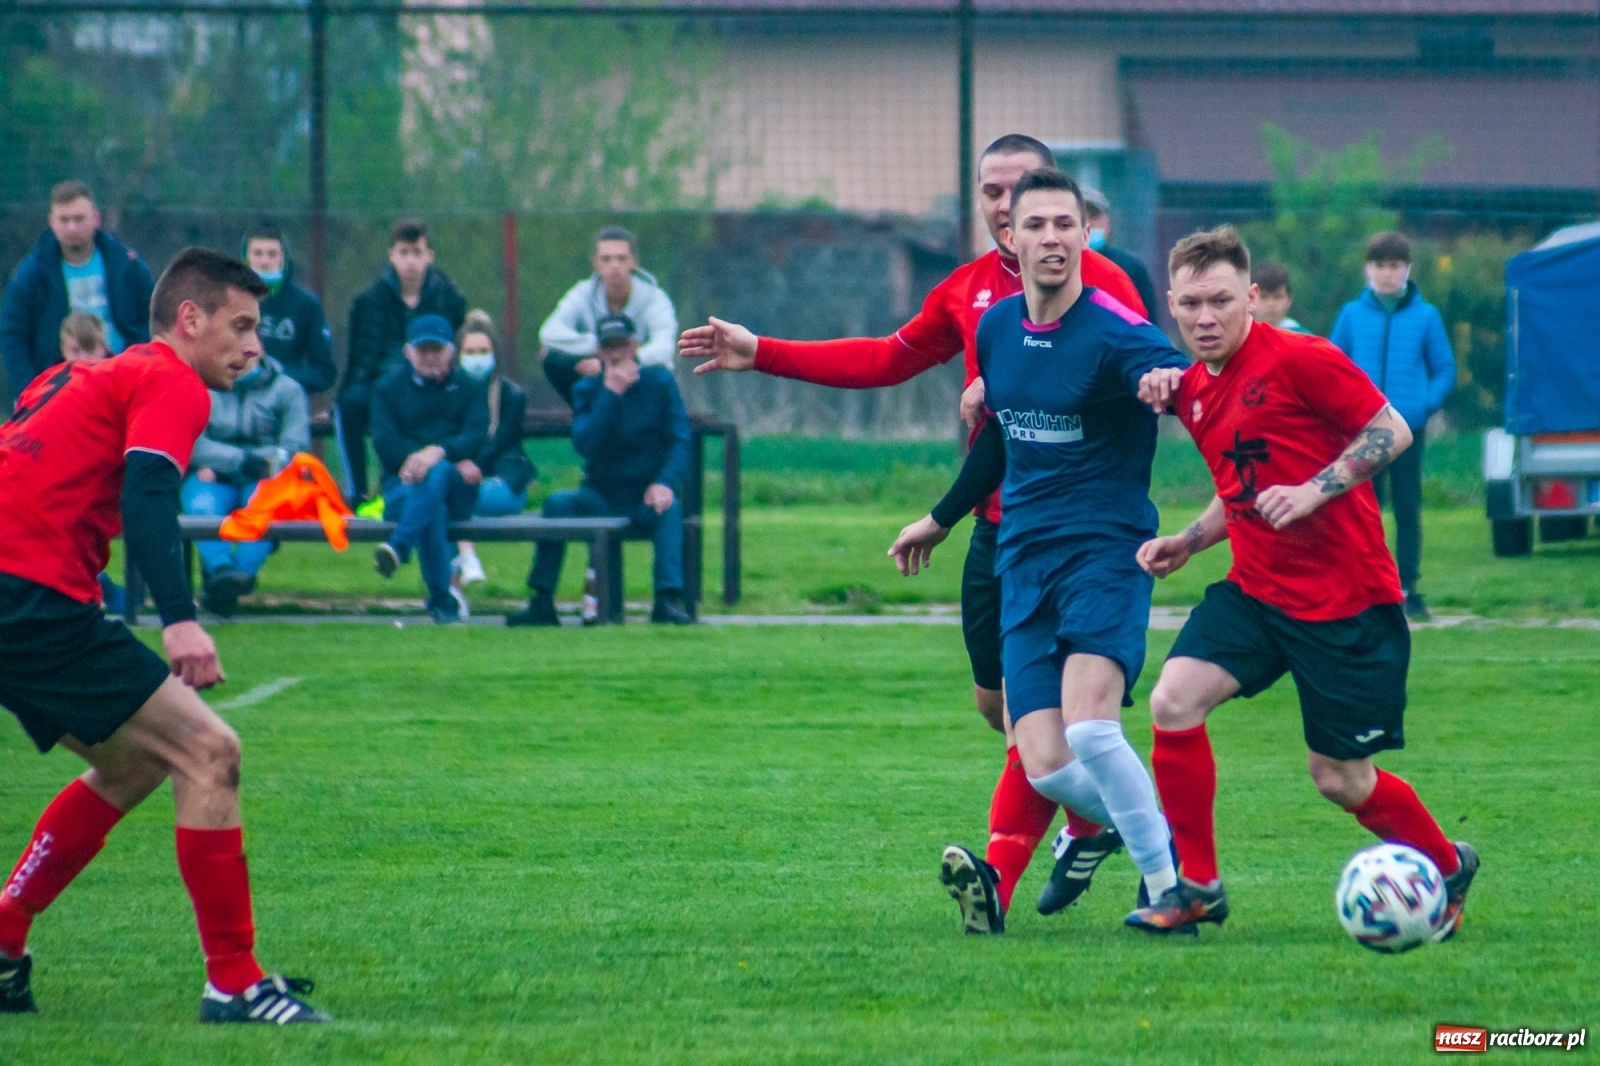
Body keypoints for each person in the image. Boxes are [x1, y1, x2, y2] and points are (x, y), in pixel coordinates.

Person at [680, 135, 1147, 934]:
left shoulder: (1101, 283)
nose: (1005, 206)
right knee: (996, 708)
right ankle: (1095, 821)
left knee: (1037, 726)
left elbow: (1138, 384)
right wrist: (763, 353)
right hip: (996, 531)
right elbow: (884, 358)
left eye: (1020, 192)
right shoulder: (968, 291)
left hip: (1077, 538)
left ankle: (1004, 879)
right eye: (992, 192)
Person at [0, 247, 327, 1023]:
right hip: (30, 596)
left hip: (21, 595)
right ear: (189, 319)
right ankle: (235, 981)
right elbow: (149, 493)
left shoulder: (76, 375)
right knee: (210, 751)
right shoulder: (172, 379)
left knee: (134, 762)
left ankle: (4, 936)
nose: (254, 347)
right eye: (240, 327)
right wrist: (179, 620)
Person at [1123, 225, 1477, 937]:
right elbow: (1242, 485)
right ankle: (1198, 886)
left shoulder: (1301, 358)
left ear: (1252, 297)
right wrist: (1189, 541)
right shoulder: (1193, 390)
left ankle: (1447, 864)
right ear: (1172, 305)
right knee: (1173, 701)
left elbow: (1392, 430)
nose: (1205, 318)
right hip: (1256, 592)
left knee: (1340, 779)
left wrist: (1315, 489)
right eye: (1190, 304)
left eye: (1221, 301)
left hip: (1346, 602)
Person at [887, 168, 1192, 934]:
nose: (1053, 238)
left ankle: (1171, 893)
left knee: (1091, 728)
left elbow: (1171, 371)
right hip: (1022, 560)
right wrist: (942, 517)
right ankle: (1153, 833)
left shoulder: (1116, 330)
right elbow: (1004, 433)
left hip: (1103, 553)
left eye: (1066, 224)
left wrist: (1166, 377)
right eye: (1037, 225)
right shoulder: (995, 330)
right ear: (1010, 238)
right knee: (1047, 763)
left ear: (1087, 235)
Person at [509, 313, 693, 627]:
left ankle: (666, 600)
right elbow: (585, 444)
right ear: (598, 350)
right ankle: (541, 601)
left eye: (621, 345)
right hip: (601, 494)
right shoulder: (587, 389)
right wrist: (610, 393)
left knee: (670, 508)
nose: (615, 354)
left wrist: (664, 482)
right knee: (556, 505)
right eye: (608, 347)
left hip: (645, 493)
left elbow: (680, 441)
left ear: (634, 346)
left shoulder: (659, 383)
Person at [1329, 232, 1455, 622]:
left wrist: (1424, 405)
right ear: (1368, 269)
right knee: (1362, 510)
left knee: (1407, 507)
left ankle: (1409, 589)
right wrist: (1342, 411)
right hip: (1363, 429)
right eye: (1380, 266)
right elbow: (1332, 365)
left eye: (1395, 266)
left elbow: (1444, 368)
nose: (1387, 274)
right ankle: (1364, 586)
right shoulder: (1352, 315)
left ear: (1407, 269)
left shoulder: (1425, 316)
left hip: (1407, 430)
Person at [336, 219, 467, 504]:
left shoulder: (450, 298)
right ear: (391, 256)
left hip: (433, 382)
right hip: (380, 383)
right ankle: (357, 493)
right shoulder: (368, 300)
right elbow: (358, 359)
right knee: (348, 405)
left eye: (417, 253)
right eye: (403, 253)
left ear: (429, 256)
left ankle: (435, 485)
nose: (410, 261)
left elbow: (454, 352)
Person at [370, 314, 488, 625]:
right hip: (402, 486)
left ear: (451, 352)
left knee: (438, 474)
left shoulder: (470, 388)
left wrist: (438, 452)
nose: (430, 357)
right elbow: (384, 442)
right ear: (408, 352)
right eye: (423, 350)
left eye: (437, 349)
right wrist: (421, 459)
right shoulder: (387, 389)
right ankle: (441, 601)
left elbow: (476, 434)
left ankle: (400, 546)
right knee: (431, 497)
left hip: (458, 490)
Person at [0, 181, 154, 407]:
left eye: (79, 219)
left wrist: (140, 373)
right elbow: (13, 335)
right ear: (51, 222)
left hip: (120, 383)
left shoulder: (126, 264)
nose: (72, 227)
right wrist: (32, 390)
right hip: (58, 391)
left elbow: (150, 320)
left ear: (96, 218)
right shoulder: (32, 274)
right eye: (64, 220)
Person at [182, 353, 312, 618]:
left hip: (263, 477)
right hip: (213, 475)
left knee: (265, 509)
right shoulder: (197, 386)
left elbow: (294, 448)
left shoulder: (288, 390)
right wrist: (239, 461)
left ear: (259, 348)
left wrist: (256, 464)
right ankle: (223, 570)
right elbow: (191, 441)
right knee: (202, 506)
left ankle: (232, 580)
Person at [539, 226, 679, 406]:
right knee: (550, 356)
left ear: (634, 262)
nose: (614, 265)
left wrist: (626, 359)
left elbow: (665, 348)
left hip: (640, 378)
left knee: (661, 372)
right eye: (606, 259)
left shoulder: (655, 298)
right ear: (595, 263)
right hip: (596, 375)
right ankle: (583, 410)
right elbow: (549, 333)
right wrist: (602, 351)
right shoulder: (582, 293)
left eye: (621, 258)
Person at [451, 310, 536, 590]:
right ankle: (460, 572)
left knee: (444, 498)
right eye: (470, 351)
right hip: (461, 483)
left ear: (495, 354)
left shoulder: (512, 396)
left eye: (483, 351)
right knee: (443, 498)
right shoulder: (448, 392)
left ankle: (457, 577)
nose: (477, 358)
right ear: (458, 354)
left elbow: (498, 443)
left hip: (502, 483)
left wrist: (466, 468)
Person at [242, 223, 337, 397]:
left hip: (284, 397)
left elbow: (324, 372)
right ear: (245, 258)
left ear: (283, 259)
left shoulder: (305, 304)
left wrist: (280, 377)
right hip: (235, 393)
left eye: (272, 254)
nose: (264, 261)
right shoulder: (226, 300)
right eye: (257, 254)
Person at [1081, 186, 1159, 321]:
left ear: (1107, 222)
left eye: (1093, 216)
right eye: (1081, 217)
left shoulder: (1131, 268)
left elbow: (1149, 324)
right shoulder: (1059, 269)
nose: (1087, 223)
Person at [1250, 262, 1308, 333]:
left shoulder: (1301, 336)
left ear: (1289, 299)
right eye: (1263, 297)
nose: (1271, 303)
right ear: (1251, 299)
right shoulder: (1241, 335)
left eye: (1277, 297)